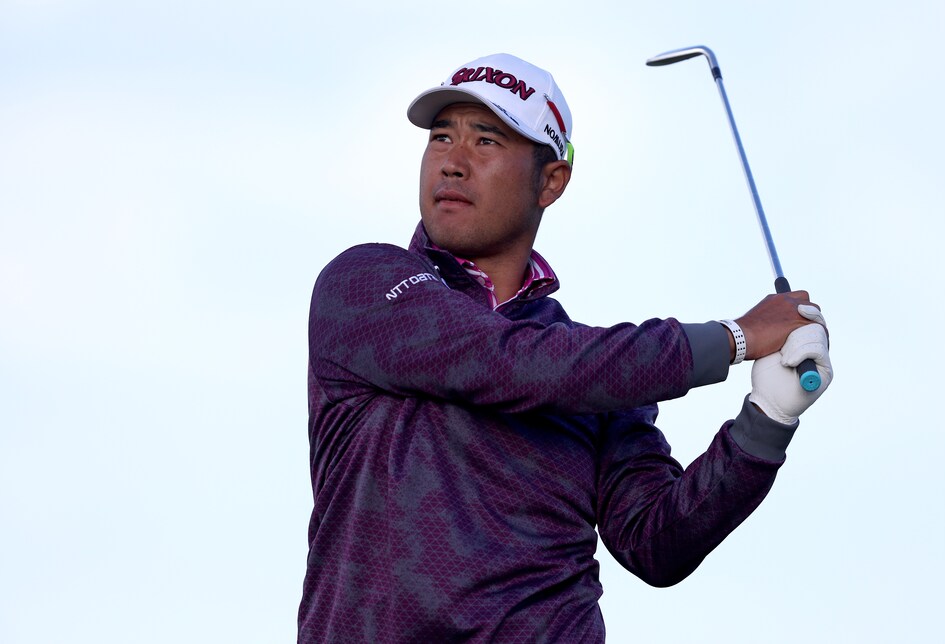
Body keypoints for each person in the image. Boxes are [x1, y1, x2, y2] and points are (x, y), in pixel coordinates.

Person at [297, 53, 832, 643]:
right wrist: (733, 339)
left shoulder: (595, 372)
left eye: (486, 141)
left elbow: (657, 542)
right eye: (441, 137)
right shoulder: (366, 283)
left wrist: (766, 422)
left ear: (550, 181)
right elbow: (507, 362)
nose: (451, 163)